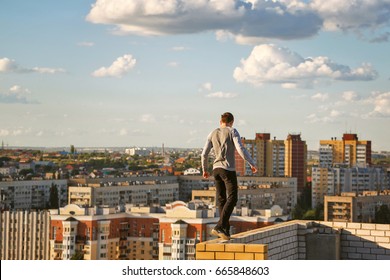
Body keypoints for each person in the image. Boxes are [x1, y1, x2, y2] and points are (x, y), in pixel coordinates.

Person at [201, 112, 258, 240]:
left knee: (221, 200)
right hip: (228, 169)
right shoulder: (232, 131)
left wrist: (205, 169)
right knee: (233, 198)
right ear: (231, 122)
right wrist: (251, 163)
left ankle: (224, 231)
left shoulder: (212, 133)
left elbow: (204, 154)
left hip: (216, 169)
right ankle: (220, 226)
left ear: (220, 121)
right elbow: (240, 149)